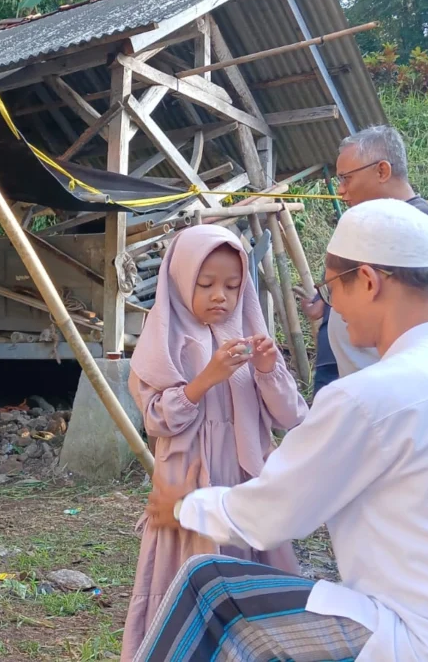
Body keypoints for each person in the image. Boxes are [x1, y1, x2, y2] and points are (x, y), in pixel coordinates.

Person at [134, 199, 428, 662]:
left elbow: (271, 513)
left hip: (426, 642)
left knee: (210, 583)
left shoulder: (368, 397)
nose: (331, 308)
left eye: (333, 288)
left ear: (367, 281)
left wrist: (183, 505)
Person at [120, 225, 308, 661]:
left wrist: (266, 368)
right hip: (188, 482)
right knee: (188, 577)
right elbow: (157, 418)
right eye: (205, 284)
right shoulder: (165, 341)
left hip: (244, 479)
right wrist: (205, 379)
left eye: (232, 285)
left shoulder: (246, 336)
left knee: (249, 569)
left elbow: (289, 415)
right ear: (182, 281)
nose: (220, 295)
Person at [301, 125, 428, 396]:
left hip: (378, 382)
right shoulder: (366, 223)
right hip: (341, 369)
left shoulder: (427, 224)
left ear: (382, 171)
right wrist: (328, 301)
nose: (340, 190)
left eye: (346, 178)